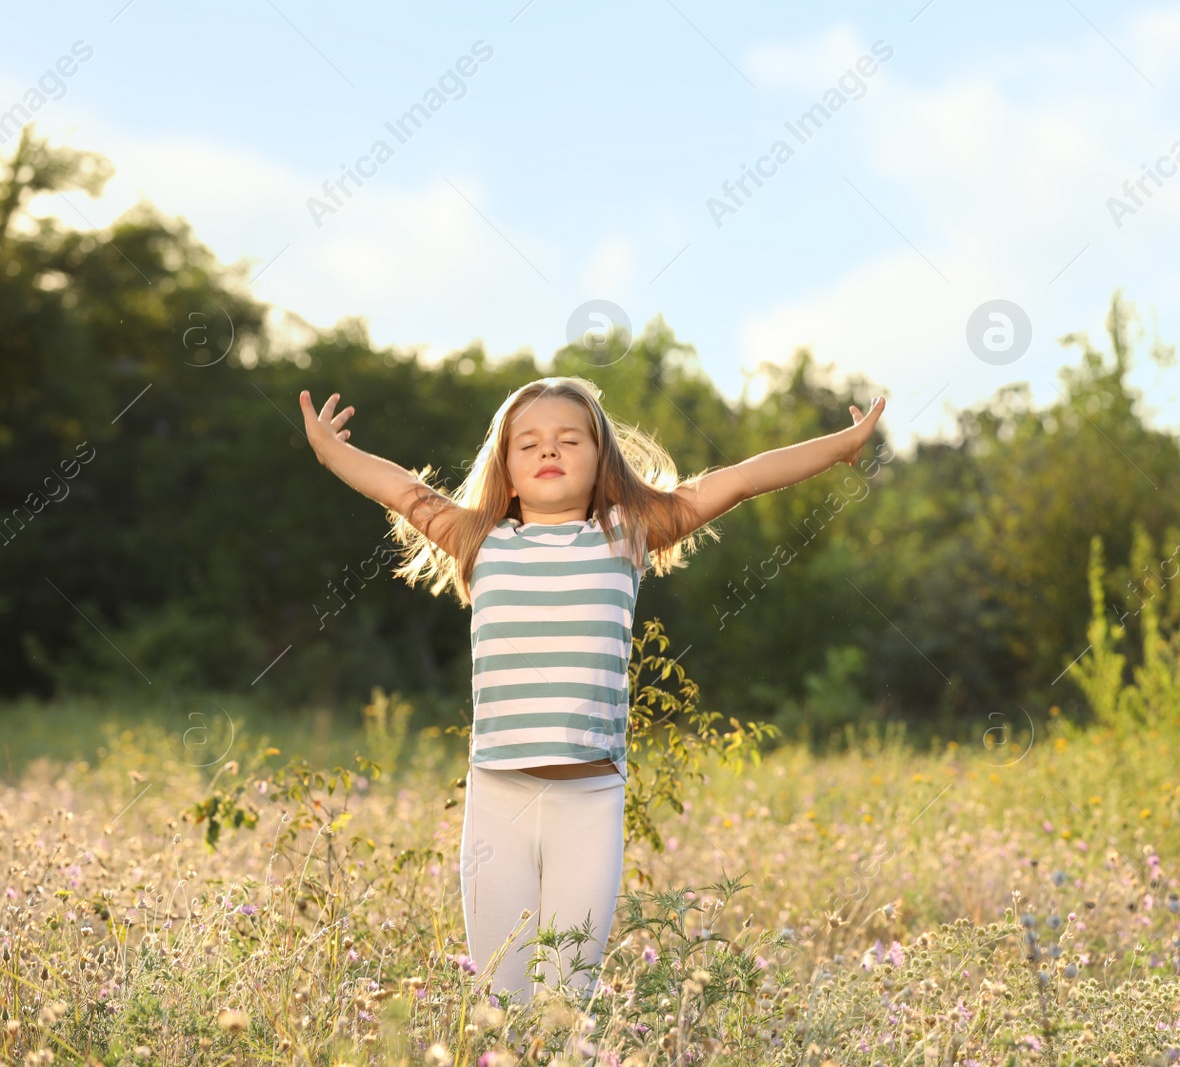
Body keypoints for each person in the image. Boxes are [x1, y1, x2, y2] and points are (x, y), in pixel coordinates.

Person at [297, 375, 886, 1005]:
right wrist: (331, 451)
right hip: (498, 796)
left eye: (569, 439)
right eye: (529, 444)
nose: (549, 451)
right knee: (501, 999)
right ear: (507, 468)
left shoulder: (626, 533)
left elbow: (740, 478)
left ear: (601, 458)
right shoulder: (480, 540)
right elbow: (399, 489)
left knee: (564, 1002)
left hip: (590, 800)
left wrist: (840, 446)